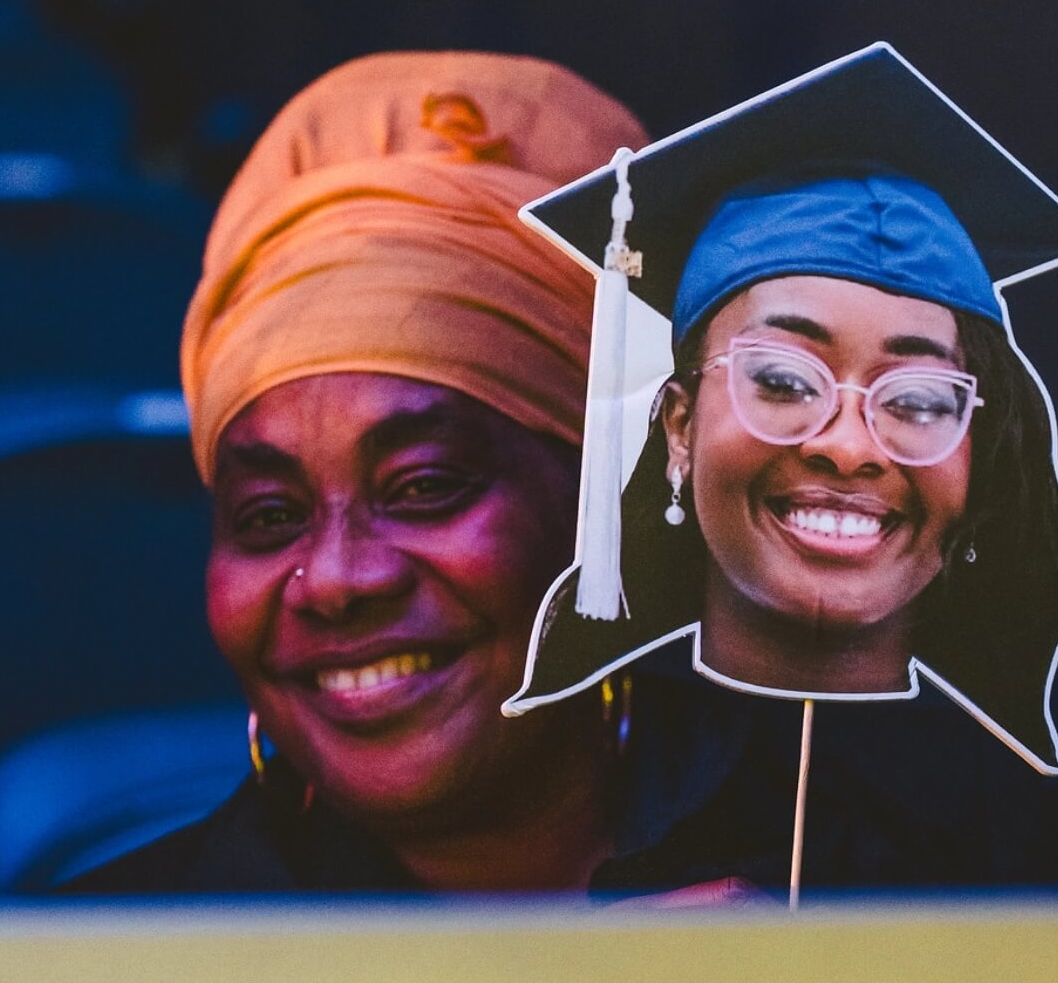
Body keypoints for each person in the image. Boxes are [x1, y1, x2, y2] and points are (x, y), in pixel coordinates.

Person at [67, 50, 650, 892]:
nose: (336, 580)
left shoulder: (860, 897)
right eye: (268, 514)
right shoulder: (108, 957)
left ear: (611, 505)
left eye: (422, 487)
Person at [508, 43, 1058, 778]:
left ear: (979, 454)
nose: (850, 447)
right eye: (785, 382)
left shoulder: (1043, 851)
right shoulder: (563, 794)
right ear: (680, 425)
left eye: (916, 400)